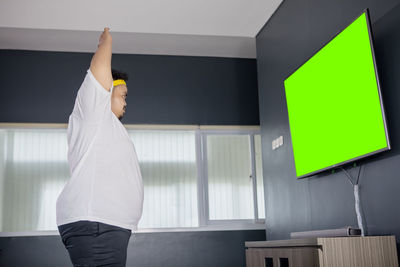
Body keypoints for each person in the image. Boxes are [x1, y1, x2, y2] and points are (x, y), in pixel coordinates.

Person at [56, 27, 144, 267]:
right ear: (106, 93)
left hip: (103, 225)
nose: (126, 102)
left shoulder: (108, 127)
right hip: (96, 223)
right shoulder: (94, 112)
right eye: (123, 95)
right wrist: (106, 43)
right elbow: (99, 74)